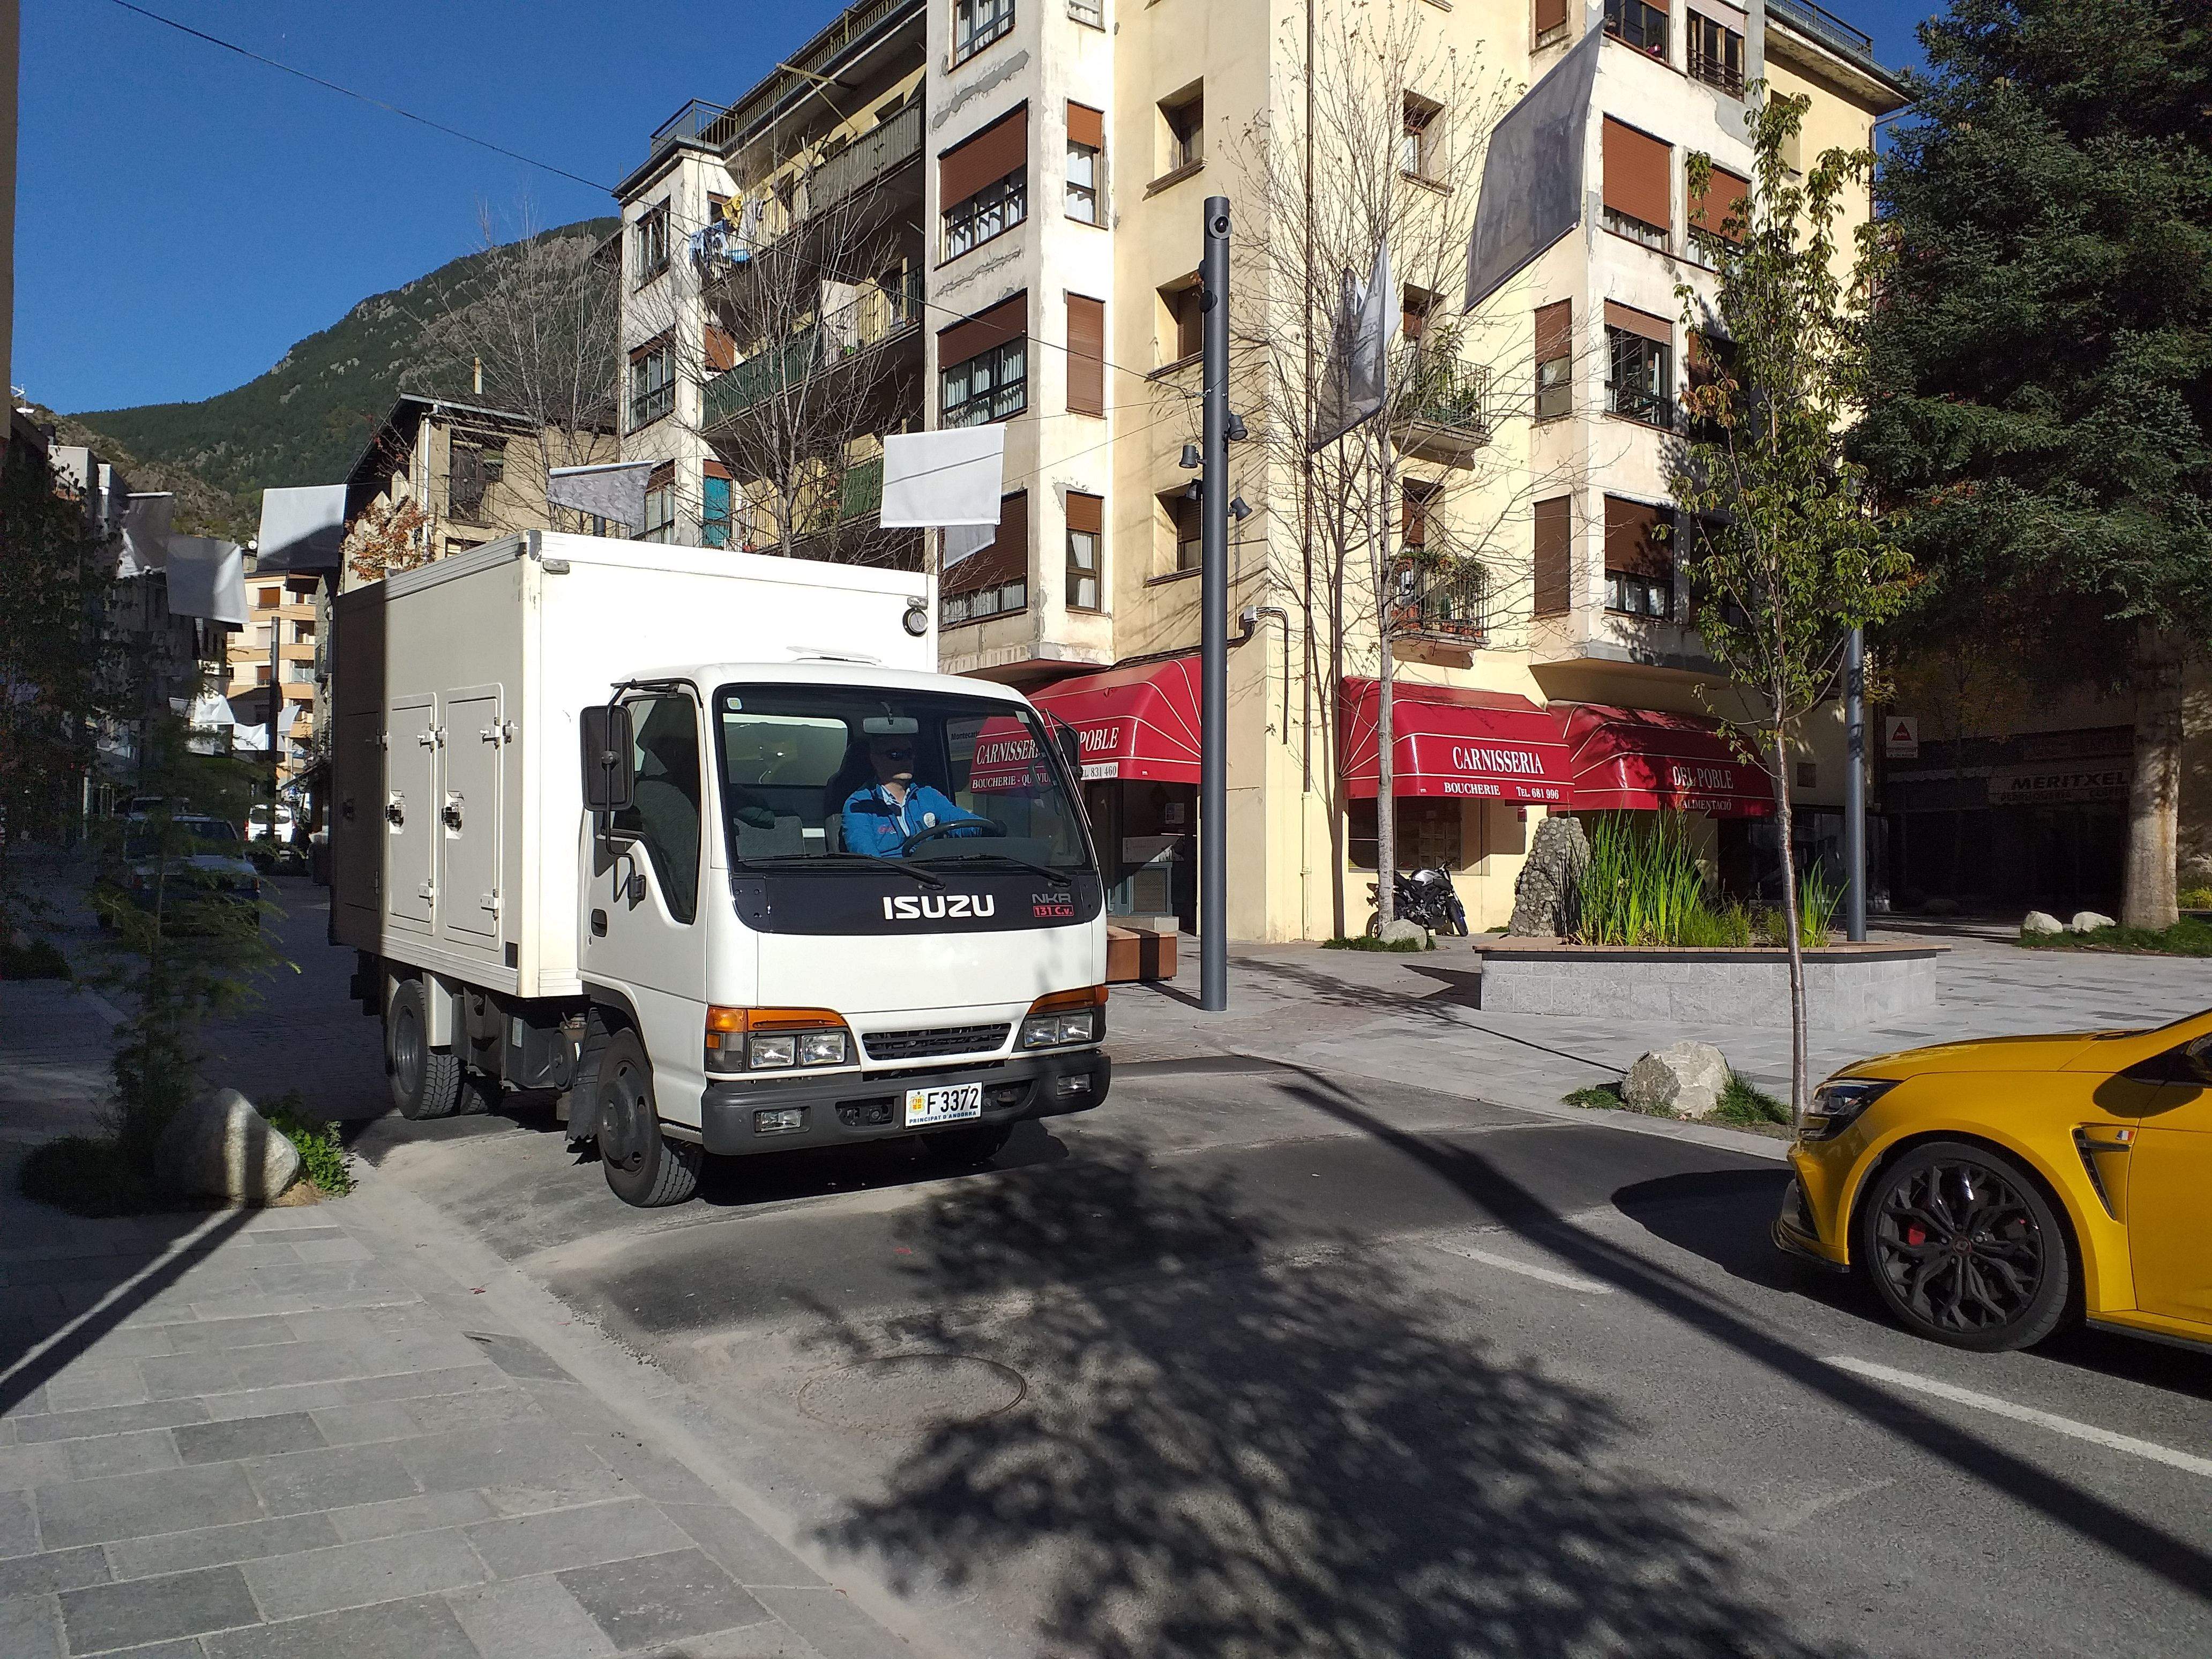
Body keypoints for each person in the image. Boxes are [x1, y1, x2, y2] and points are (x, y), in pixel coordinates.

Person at [841, 725, 984, 857]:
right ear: (875, 759)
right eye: (896, 755)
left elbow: (960, 820)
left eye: (909, 754)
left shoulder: (928, 795)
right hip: (887, 879)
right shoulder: (859, 804)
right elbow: (867, 857)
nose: (906, 761)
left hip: (932, 875)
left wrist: (986, 829)